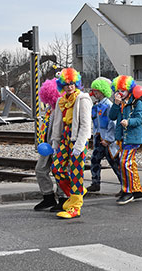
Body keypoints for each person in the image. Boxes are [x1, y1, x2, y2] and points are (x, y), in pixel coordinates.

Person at [50, 68, 92, 219]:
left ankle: (75, 207)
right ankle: (76, 193)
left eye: (72, 83)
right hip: (65, 138)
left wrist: (79, 145)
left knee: (76, 173)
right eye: (66, 84)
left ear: (77, 83)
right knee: (56, 168)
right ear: (62, 85)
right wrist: (55, 143)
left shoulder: (83, 99)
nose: (69, 86)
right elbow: (57, 124)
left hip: (78, 138)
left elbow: (86, 125)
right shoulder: (61, 101)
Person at [109, 75, 142, 205]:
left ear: (129, 90)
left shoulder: (136, 102)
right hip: (122, 138)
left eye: (122, 90)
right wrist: (115, 104)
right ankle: (137, 190)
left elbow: (140, 119)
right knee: (130, 164)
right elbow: (111, 116)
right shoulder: (120, 103)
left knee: (125, 163)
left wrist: (129, 122)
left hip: (132, 138)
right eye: (118, 90)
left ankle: (128, 192)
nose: (120, 93)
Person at [33, 78, 66, 211]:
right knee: (40, 169)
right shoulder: (49, 110)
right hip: (47, 146)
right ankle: (48, 197)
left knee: (60, 171)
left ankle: (63, 198)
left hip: (59, 145)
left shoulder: (63, 108)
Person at [88, 77, 122, 193]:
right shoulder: (97, 105)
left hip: (107, 139)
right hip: (99, 137)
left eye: (96, 91)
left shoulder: (108, 105)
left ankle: (125, 186)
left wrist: (108, 139)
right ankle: (95, 183)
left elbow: (113, 123)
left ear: (103, 90)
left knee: (114, 162)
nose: (94, 93)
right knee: (94, 160)